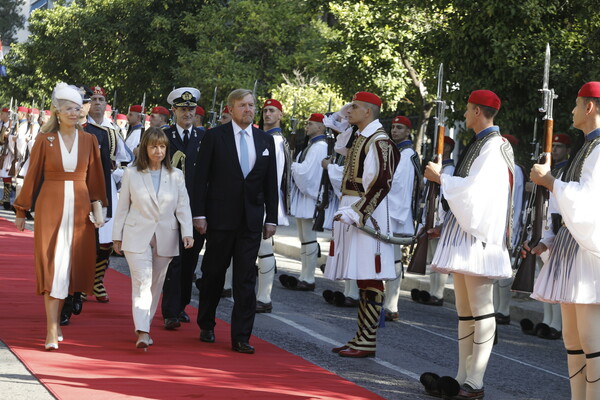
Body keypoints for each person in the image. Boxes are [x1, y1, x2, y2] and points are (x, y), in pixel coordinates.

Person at [420, 90, 514, 400]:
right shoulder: (480, 144)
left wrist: (441, 179)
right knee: (464, 309)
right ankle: (460, 376)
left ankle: (475, 380)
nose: (463, 114)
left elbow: (476, 193)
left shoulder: (493, 146)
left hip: (480, 236)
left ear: (476, 111)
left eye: (467, 109)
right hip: (465, 232)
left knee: (481, 307)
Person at [13, 82, 106, 350]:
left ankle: (59, 319)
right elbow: (32, 177)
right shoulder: (44, 140)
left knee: (71, 266)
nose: (74, 113)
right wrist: (21, 209)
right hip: (50, 207)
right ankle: (51, 329)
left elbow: (97, 182)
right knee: (52, 266)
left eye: (78, 108)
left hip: (79, 211)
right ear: (57, 111)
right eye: (69, 109)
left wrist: (99, 211)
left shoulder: (89, 140)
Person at [528, 82, 600, 399]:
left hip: (590, 253)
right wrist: (550, 240)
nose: (571, 110)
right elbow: (565, 209)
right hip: (572, 247)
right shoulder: (585, 148)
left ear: (590, 107)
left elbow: (587, 202)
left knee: (590, 339)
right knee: (572, 338)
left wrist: (549, 181)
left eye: (575, 104)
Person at [193, 88, 278, 354]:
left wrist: (272, 218)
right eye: (243, 105)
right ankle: (206, 323)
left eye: (252, 105)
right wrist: (199, 214)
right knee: (213, 275)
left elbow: (271, 183)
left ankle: (241, 336)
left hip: (251, 220)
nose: (249, 109)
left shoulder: (265, 141)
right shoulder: (214, 137)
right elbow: (200, 179)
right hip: (219, 219)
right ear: (230, 109)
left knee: (245, 279)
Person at [325, 91, 399, 358]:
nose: (349, 110)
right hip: (355, 209)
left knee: (370, 275)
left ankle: (367, 339)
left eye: (354, 107)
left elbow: (381, 183)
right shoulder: (362, 137)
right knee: (362, 275)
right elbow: (339, 143)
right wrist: (342, 116)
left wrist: (358, 214)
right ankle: (361, 337)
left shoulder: (379, 141)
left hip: (369, 214)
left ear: (367, 112)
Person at [112, 127, 193, 348]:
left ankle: (144, 327)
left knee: (155, 285)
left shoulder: (175, 175)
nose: (158, 151)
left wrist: (187, 232)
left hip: (166, 235)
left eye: (162, 146)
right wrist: (116, 236)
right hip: (136, 234)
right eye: (153, 146)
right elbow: (123, 207)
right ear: (145, 148)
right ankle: (142, 331)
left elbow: (183, 205)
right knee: (142, 281)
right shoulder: (132, 173)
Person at [162, 87, 205, 329]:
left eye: (191, 109)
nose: (187, 113)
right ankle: (169, 311)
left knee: (190, 261)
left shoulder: (203, 137)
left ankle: (181, 306)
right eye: (182, 109)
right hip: (170, 208)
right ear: (174, 111)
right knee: (173, 261)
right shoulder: (164, 136)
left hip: (196, 210)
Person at [280, 112, 328, 292]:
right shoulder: (312, 146)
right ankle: (304, 275)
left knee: (308, 238)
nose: (306, 126)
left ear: (321, 127)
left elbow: (308, 174)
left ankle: (308, 278)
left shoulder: (319, 146)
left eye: (311, 124)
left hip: (310, 197)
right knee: (304, 238)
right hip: (304, 197)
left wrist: (292, 165)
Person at [383, 115, 421, 321]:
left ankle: (391, 304)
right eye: (393, 127)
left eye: (399, 128)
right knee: (390, 257)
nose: (395, 130)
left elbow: (398, 185)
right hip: (391, 211)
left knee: (394, 258)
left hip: (396, 212)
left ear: (408, 131)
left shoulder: (406, 154)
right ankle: (387, 302)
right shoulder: (398, 151)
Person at [255, 98, 290, 313]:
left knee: (264, 249)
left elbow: (273, 178)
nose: (267, 114)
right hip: (257, 200)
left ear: (280, 115)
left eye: (272, 111)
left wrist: (270, 211)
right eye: (265, 111)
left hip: (263, 202)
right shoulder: (266, 137)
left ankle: (264, 298)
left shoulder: (275, 140)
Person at [412, 136, 456, 307]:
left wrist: (441, 221)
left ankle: (438, 293)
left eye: (442, 145)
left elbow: (446, 196)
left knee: (440, 258)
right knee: (432, 258)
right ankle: (432, 291)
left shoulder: (450, 169)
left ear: (448, 148)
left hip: (441, 216)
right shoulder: (438, 166)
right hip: (430, 214)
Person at [493, 133, 525, 325]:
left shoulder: (515, 170)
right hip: (494, 224)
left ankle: (503, 310)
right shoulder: (498, 168)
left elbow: (516, 202)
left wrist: (511, 229)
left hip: (506, 225)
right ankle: (496, 307)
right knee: (495, 270)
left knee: (504, 269)